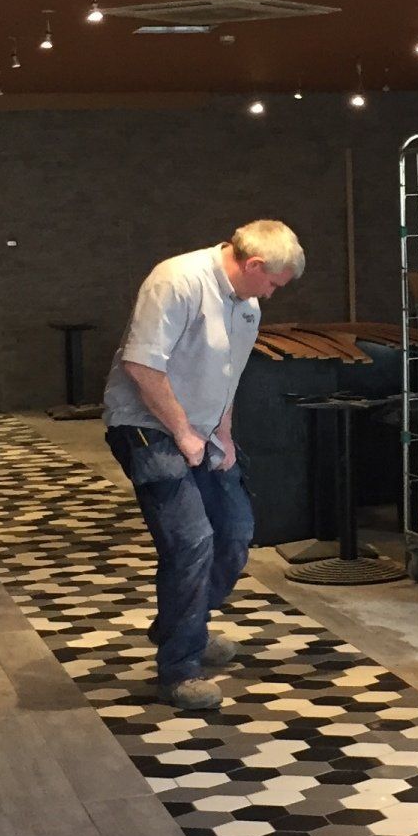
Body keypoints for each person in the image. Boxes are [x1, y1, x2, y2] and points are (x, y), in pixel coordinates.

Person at [102, 218, 305, 708]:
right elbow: (141, 364)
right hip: (146, 428)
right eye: (273, 283)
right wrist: (183, 432)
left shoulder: (246, 303)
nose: (273, 295)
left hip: (203, 432)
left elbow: (228, 376)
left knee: (234, 531)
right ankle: (179, 668)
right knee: (192, 541)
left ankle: (181, 623)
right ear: (253, 264)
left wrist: (224, 435)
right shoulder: (176, 281)